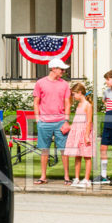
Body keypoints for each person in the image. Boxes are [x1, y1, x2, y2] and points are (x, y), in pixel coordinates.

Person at [32, 57, 71, 185]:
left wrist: (66, 120)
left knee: (64, 150)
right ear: (54, 69)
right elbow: (36, 102)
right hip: (44, 122)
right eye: (61, 69)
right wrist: (38, 119)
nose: (63, 72)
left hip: (61, 122)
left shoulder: (64, 84)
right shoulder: (40, 83)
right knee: (44, 150)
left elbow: (67, 103)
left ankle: (66, 176)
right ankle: (43, 176)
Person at [64, 83, 94, 187]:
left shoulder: (88, 105)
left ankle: (86, 179)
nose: (73, 96)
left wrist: (86, 136)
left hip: (85, 132)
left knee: (86, 156)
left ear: (80, 93)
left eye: (74, 94)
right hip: (77, 132)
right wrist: (71, 127)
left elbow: (89, 121)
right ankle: (76, 178)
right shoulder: (79, 105)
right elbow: (78, 119)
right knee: (77, 156)